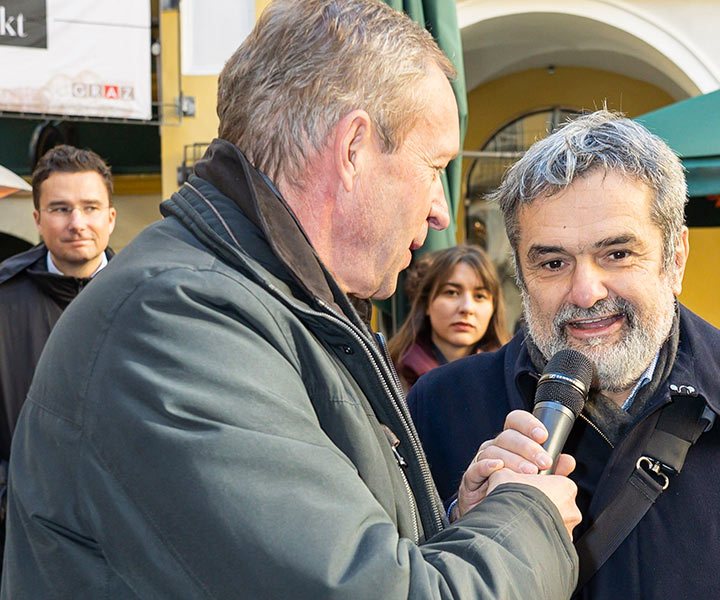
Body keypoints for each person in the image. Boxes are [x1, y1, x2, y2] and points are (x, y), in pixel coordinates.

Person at [1, 1, 581, 598]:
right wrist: (527, 523)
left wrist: (470, 529)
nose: (439, 208)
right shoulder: (180, 322)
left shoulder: (251, 301)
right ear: (353, 147)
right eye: (433, 166)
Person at [407, 110, 720, 599]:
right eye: (553, 262)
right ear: (521, 273)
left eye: (617, 254)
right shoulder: (439, 405)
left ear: (676, 258)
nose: (585, 291)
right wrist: (461, 527)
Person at [0, 144, 116, 464]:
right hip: (23, 506)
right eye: (60, 209)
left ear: (111, 218)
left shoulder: (150, 298)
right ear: (38, 219)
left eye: (90, 207)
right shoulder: (4, 300)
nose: (77, 223)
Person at [388, 244, 509, 389]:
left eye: (480, 296)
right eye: (452, 292)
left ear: (493, 308)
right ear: (426, 303)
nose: (467, 308)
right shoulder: (388, 375)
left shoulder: (510, 376)